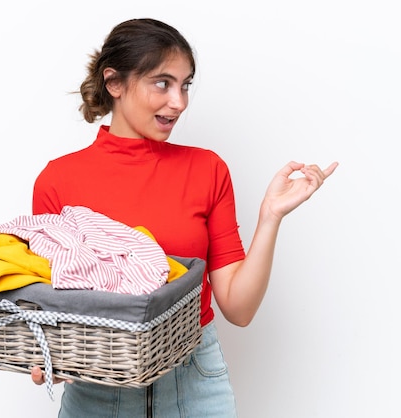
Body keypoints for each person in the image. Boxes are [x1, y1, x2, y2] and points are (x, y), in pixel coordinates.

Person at [30, 17, 338, 417]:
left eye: (185, 84)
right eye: (163, 83)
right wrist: (46, 355)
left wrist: (270, 217)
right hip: (99, 384)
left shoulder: (207, 170)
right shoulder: (58, 180)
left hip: (194, 378)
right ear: (115, 83)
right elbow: (47, 303)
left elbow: (238, 309)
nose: (179, 101)